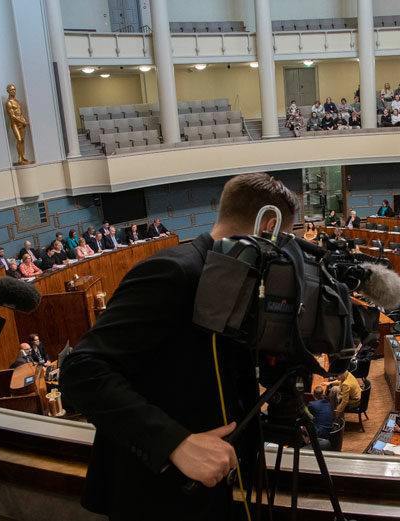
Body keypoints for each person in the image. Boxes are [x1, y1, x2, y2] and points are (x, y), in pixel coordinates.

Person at [58, 173, 301, 519]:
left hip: (213, 484)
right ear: (269, 225)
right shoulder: (171, 271)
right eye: (286, 239)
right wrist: (174, 442)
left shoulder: (242, 282)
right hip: (156, 493)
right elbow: (81, 372)